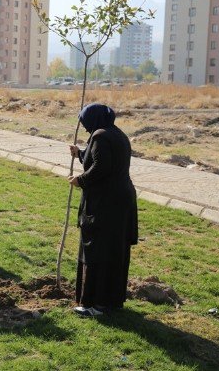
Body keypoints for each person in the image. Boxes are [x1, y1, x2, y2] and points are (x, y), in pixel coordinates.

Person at [67, 103, 138, 317]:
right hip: (121, 201)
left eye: (84, 120)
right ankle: (111, 300)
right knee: (114, 249)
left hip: (105, 204)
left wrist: (81, 180)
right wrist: (80, 154)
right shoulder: (116, 134)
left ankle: (95, 304)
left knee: (98, 248)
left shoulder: (100, 136)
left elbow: (100, 167)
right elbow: (103, 160)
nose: (84, 125)